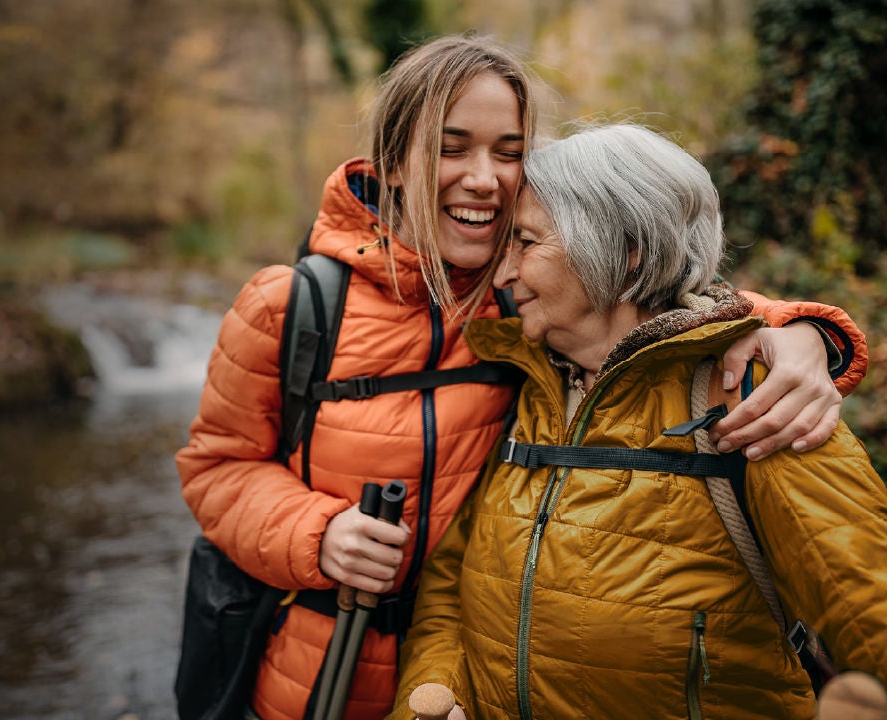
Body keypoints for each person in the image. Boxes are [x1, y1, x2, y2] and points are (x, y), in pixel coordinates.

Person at [176, 34, 868, 720]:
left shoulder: (527, 301)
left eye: (509, 152)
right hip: (315, 672)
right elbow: (216, 468)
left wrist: (801, 332)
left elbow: (667, 295)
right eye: (452, 147)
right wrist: (316, 534)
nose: (485, 177)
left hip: (476, 670)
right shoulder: (291, 305)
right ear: (390, 162)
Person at [390, 123, 887, 720]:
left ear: (626, 251)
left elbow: (868, 603)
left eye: (526, 243)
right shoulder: (530, 393)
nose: (503, 275)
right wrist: (435, 698)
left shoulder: (750, 397)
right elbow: (449, 587)